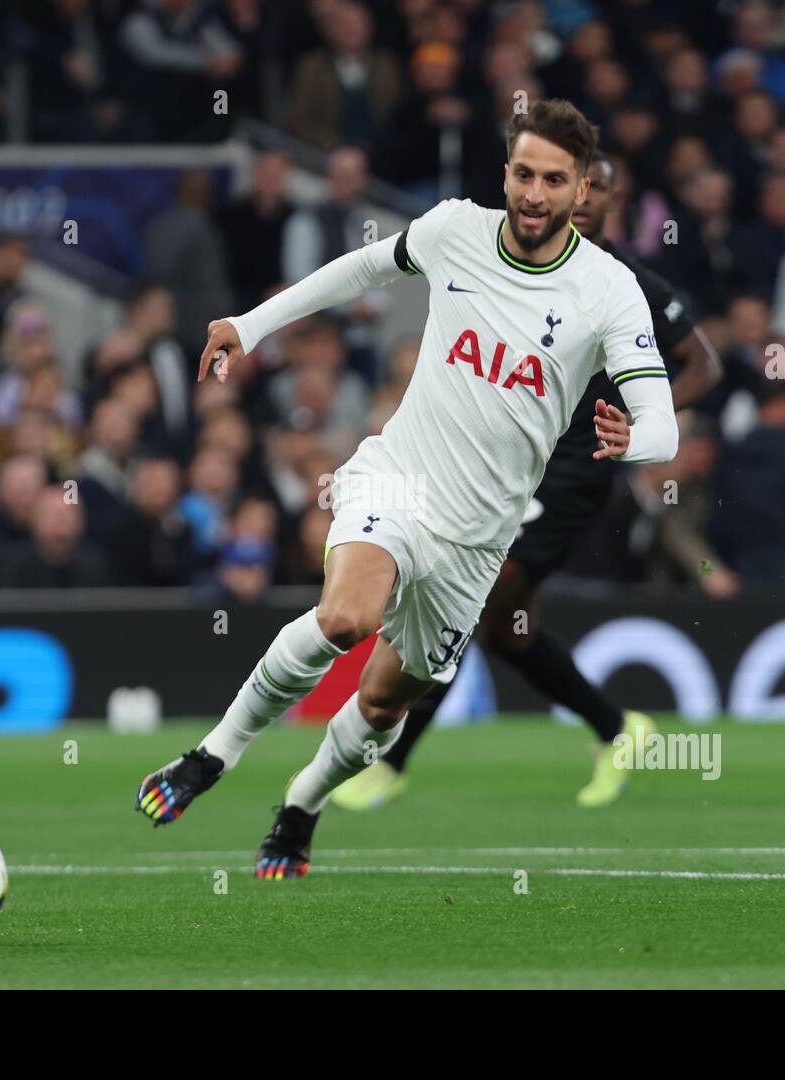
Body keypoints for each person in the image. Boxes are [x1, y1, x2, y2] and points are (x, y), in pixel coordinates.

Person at [132, 100, 680, 878]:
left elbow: (663, 420)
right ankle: (210, 757)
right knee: (346, 617)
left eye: (553, 181)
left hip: (480, 539)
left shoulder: (610, 290)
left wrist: (638, 440)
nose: (533, 194)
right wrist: (250, 325)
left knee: (386, 708)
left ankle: (302, 805)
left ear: (582, 190)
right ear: (506, 173)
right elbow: (361, 268)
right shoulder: (457, 229)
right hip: (400, 479)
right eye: (523, 174)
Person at [332, 150, 722, 813]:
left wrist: (639, 414)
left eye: (601, 189)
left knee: (476, 604)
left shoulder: (629, 284)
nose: (588, 198)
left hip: (569, 475)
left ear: (612, 202)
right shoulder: (522, 264)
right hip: (504, 467)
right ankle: (617, 728)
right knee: (507, 628)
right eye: (580, 185)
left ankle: (390, 760)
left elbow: (704, 365)